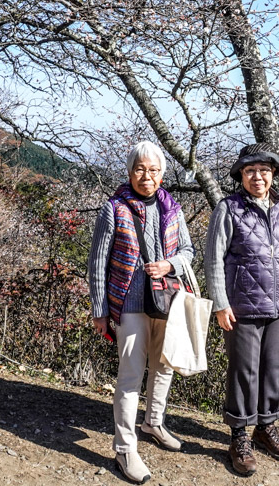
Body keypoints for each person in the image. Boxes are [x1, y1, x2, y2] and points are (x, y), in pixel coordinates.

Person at [88, 141, 194, 484]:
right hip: (129, 304)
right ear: (130, 172)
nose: (147, 176)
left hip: (167, 301)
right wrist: (100, 310)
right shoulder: (114, 209)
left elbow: (188, 251)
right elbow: (97, 264)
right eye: (140, 169)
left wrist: (170, 264)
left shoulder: (172, 208)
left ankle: (154, 423)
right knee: (131, 376)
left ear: (162, 174)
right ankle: (124, 448)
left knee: (163, 365)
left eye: (153, 170)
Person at [205, 142, 279, 476]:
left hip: (278, 303)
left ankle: (266, 426)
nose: (257, 177)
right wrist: (220, 303)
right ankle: (239, 436)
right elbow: (213, 258)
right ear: (241, 175)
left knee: (271, 368)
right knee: (243, 371)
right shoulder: (228, 208)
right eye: (250, 171)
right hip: (241, 305)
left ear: (273, 174)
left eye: (264, 170)